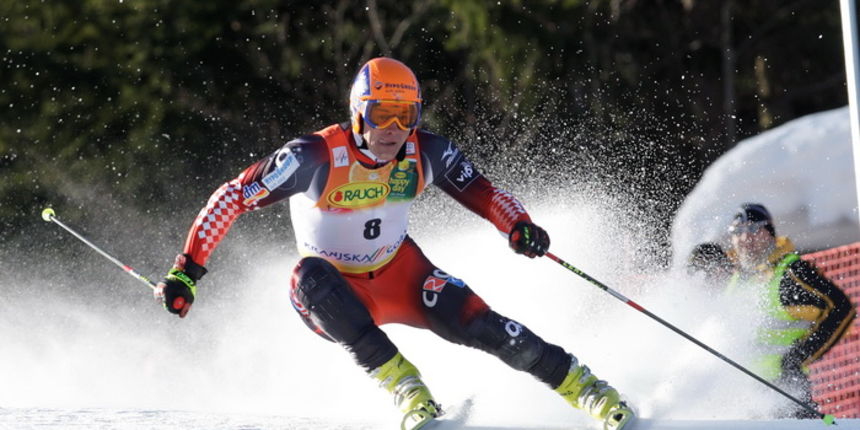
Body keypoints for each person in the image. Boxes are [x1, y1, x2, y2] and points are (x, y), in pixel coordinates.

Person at [154, 57, 634, 430]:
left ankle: (587, 390)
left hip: (402, 275)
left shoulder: (426, 152)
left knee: (483, 326)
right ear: (358, 111)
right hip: (336, 292)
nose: (392, 128)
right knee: (311, 278)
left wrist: (518, 225)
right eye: (381, 113)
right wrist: (186, 270)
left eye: (406, 115)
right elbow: (233, 196)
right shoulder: (315, 155)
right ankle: (407, 388)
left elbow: (486, 194)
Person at [726, 203, 855, 418]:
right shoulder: (736, 278)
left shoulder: (790, 272)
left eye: (753, 229)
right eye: (737, 231)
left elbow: (842, 309)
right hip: (742, 394)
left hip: (784, 390)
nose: (745, 238)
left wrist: (797, 357)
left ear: (770, 233)